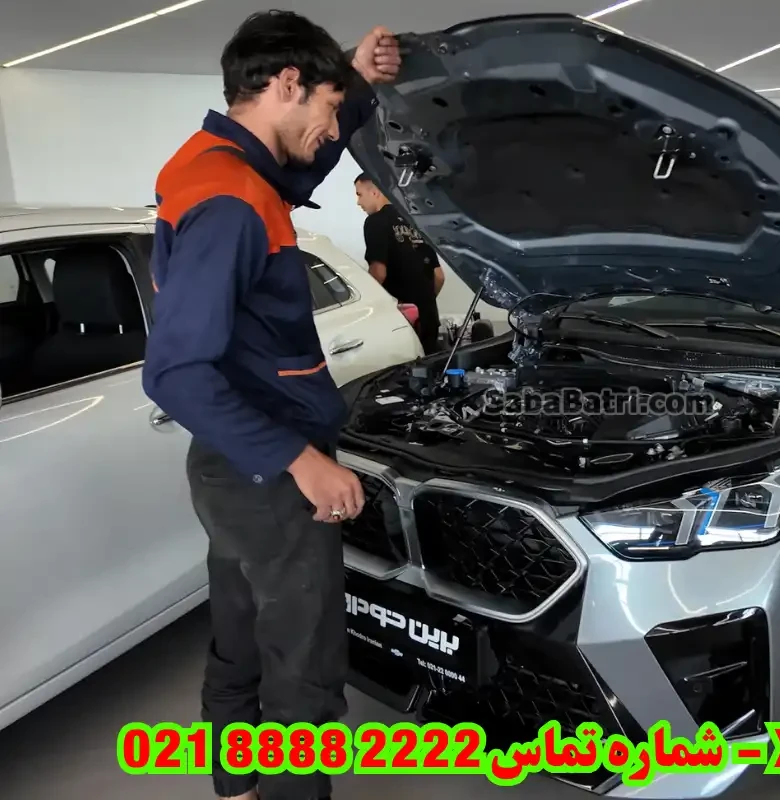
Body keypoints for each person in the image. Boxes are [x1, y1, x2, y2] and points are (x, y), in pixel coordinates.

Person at [141, 11, 400, 800]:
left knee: (242, 633)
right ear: (287, 82)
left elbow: (292, 169)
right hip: (269, 467)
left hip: (233, 464)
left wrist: (353, 81)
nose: (334, 134)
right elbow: (175, 373)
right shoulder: (231, 201)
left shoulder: (215, 162)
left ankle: (237, 788)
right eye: (329, 108)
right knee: (304, 670)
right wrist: (302, 463)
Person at [353, 173, 445, 352]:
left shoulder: (375, 222)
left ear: (375, 192)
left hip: (403, 322)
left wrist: (366, 308)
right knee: (431, 367)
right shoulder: (416, 221)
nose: (358, 202)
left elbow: (379, 272)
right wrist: (424, 303)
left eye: (359, 194)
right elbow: (439, 276)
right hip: (429, 319)